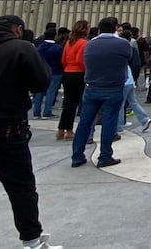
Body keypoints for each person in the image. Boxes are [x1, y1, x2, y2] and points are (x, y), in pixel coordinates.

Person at [0, 15, 63, 249]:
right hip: (7, 130)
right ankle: (31, 239)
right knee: (21, 189)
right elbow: (41, 82)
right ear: (18, 29)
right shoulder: (21, 48)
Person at [71, 17, 133, 168]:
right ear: (115, 28)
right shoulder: (122, 44)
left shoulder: (90, 44)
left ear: (99, 29)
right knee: (109, 122)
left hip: (92, 87)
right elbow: (129, 57)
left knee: (84, 123)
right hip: (113, 87)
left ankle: (77, 155)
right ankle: (105, 156)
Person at [56, 20, 88, 140]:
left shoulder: (69, 42)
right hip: (78, 73)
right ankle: (69, 130)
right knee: (74, 103)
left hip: (67, 72)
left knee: (67, 103)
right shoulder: (83, 43)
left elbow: (63, 60)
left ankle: (61, 129)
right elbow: (81, 60)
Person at [33, 27, 63, 120]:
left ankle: (36, 112)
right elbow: (61, 60)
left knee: (39, 92)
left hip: (41, 71)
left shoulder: (40, 47)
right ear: (55, 36)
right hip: (55, 71)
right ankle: (47, 112)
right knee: (51, 92)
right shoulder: (58, 48)